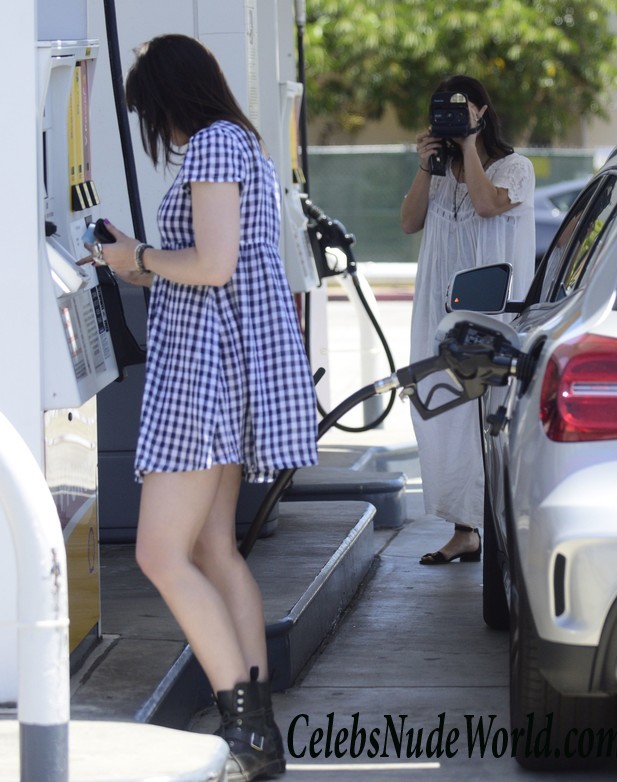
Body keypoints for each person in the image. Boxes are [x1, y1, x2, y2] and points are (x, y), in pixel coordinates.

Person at [85, 34, 318, 781]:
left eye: (148, 110)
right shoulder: (238, 144)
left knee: (159, 553)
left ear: (167, 100)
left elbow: (211, 268)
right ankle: (259, 734)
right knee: (213, 550)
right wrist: (136, 256)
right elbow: (210, 265)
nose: (155, 128)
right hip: (220, 367)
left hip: (202, 376)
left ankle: (245, 734)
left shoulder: (213, 148)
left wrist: (138, 260)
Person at [400, 75, 535, 565]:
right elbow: (409, 222)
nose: (453, 119)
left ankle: (500, 529)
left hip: (491, 313)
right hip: (438, 311)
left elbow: (484, 203)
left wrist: (470, 145)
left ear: (482, 111)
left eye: (462, 110)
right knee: (445, 414)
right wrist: (426, 166)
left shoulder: (516, 168)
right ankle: (465, 530)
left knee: (492, 416)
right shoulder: (439, 171)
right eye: (445, 110)